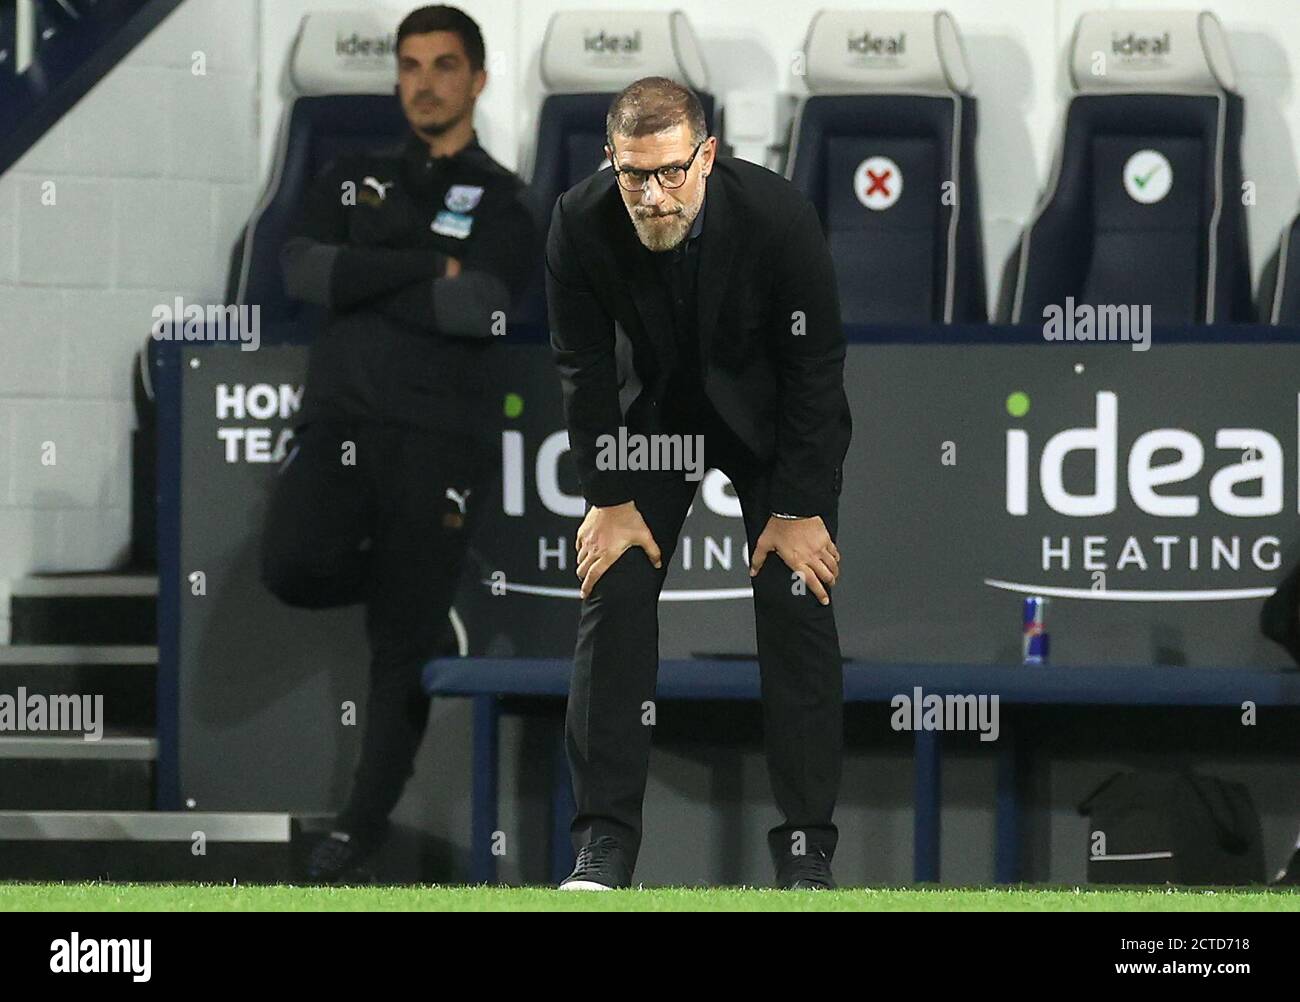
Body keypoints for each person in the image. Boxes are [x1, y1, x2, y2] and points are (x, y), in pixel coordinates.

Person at [546, 76, 853, 890]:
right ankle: (603, 846)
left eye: (672, 172)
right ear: (611, 160)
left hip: (772, 428)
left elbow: (817, 370)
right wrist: (608, 501)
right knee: (611, 584)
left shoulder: (779, 216)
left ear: (707, 156)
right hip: (661, 426)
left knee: (798, 593)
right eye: (634, 174)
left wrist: (797, 509)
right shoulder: (579, 220)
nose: (653, 194)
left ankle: (805, 853)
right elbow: (581, 366)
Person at [260, 4, 537, 882]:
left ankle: (359, 828)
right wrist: (425, 266)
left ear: (478, 79)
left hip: (438, 442)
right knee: (292, 565)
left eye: (444, 66)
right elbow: (303, 270)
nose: (425, 82)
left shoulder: (506, 197)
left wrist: (367, 274)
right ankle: (407, 590)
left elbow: (482, 307)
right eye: (411, 66)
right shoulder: (351, 175)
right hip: (340, 424)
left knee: (400, 649)